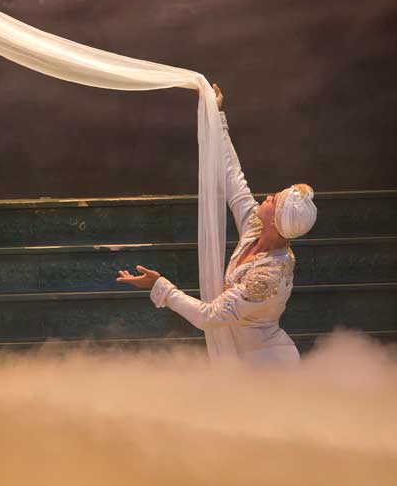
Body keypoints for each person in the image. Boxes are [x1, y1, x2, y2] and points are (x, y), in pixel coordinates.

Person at [117, 84, 317, 364]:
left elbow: (209, 316)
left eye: (274, 200)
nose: (268, 197)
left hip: (268, 364)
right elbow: (233, 178)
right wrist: (216, 116)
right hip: (246, 359)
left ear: (276, 221)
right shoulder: (256, 228)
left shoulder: (267, 275)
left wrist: (161, 287)